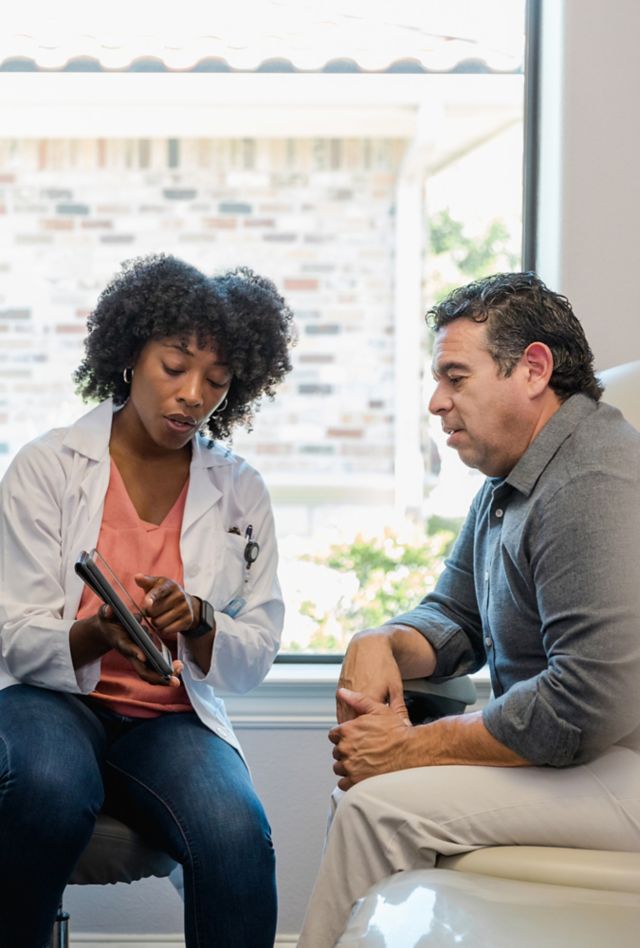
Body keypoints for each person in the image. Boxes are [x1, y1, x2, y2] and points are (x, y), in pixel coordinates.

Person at [298, 271, 640, 948]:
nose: (435, 402)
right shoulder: (510, 479)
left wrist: (410, 748)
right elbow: (456, 618)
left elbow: (589, 700)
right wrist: (384, 640)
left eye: (456, 377)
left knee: (375, 807)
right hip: (586, 758)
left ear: (533, 369)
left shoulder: (593, 479)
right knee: (367, 792)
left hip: (622, 759)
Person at [0, 253, 294, 948]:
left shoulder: (240, 491)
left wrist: (199, 621)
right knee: (44, 788)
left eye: (216, 382)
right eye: (175, 368)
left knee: (235, 832)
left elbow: (256, 650)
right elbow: (12, 630)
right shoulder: (49, 466)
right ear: (131, 354)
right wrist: (99, 633)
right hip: (52, 700)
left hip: (171, 717)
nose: (193, 395)